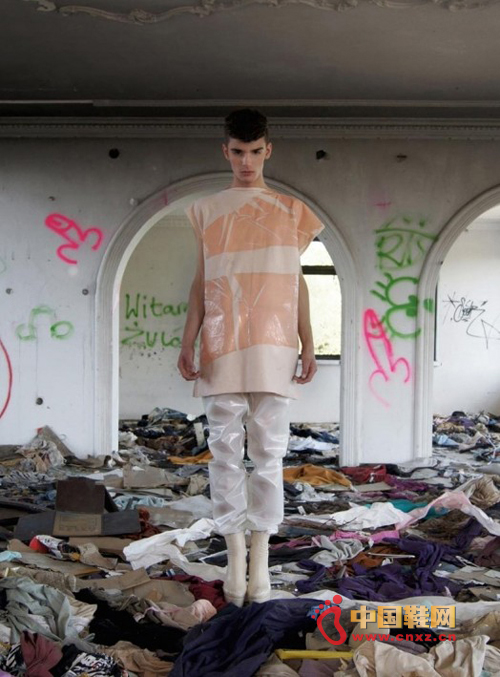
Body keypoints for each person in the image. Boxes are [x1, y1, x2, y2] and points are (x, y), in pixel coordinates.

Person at [178, 108, 324, 606]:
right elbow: (201, 281)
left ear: (268, 150)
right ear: (225, 151)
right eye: (238, 152)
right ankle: (234, 561)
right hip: (222, 343)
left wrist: (308, 341)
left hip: (274, 344)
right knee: (223, 453)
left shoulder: (291, 211)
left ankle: (259, 564)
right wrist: (188, 340)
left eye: (255, 152)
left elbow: (296, 282)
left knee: (268, 455)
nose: (246, 161)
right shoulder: (205, 211)